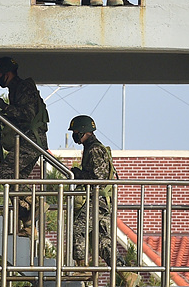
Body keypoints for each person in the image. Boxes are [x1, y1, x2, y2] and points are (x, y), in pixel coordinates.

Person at [68, 115, 118, 269]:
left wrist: (78, 174)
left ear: (83, 131)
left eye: (76, 131)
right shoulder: (90, 147)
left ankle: (82, 267)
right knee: (102, 242)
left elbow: (98, 178)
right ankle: (126, 274)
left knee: (78, 228)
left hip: (98, 199)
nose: (74, 135)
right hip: (100, 199)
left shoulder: (95, 149)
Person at [0, 57, 49, 181]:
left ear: (7, 73)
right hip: (30, 139)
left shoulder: (23, 87)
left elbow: (27, 115)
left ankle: (31, 198)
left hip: (32, 140)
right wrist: (1, 118)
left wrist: (4, 107)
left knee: (3, 173)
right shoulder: (14, 89)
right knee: (17, 183)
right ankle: (35, 201)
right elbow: (19, 119)